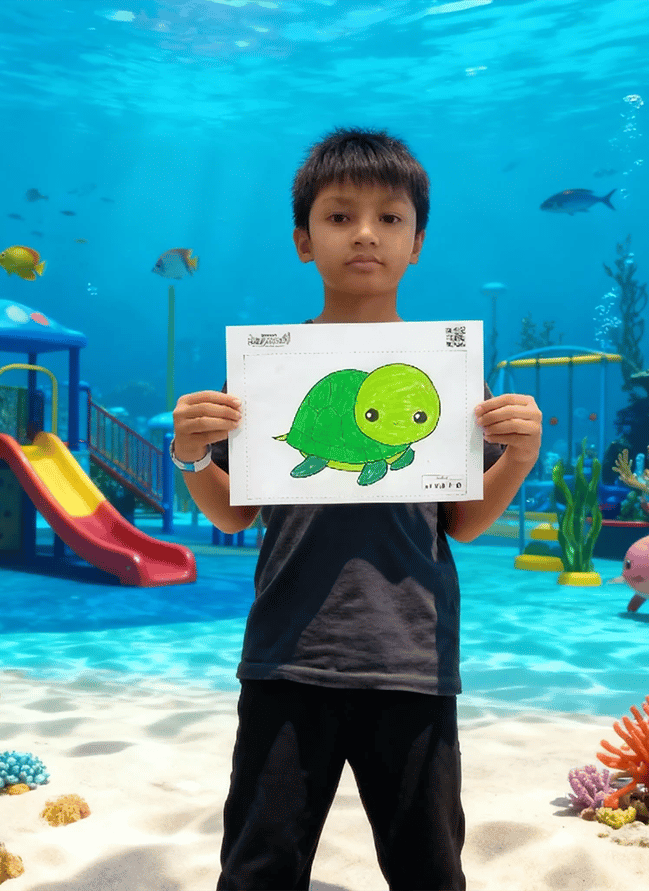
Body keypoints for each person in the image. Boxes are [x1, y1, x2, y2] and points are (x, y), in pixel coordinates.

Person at [172, 127, 542, 891]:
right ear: (304, 241)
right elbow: (236, 517)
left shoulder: (448, 376)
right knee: (258, 864)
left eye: (390, 217)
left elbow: (465, 524)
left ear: (418, 241)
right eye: (340, 217)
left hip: (411, 659)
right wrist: (191, 454)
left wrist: (519, 458)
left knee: (428, 866)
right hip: (284, 655)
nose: (366, 233)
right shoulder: (264, 373)